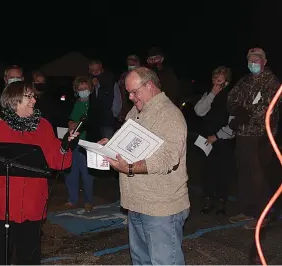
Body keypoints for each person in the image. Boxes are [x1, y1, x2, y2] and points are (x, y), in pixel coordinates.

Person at [0, 82, 76, 264]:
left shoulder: (43, 125)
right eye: (29, 96)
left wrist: (65, 146)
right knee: (1, 256)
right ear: (14, 99)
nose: (34, 100)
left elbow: (58, 162)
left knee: (30, 257)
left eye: (34, 96)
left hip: (31, 204)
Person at [100, 67, 190, 265]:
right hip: (137, 203)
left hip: (161, 208)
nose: (131, 97)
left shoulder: (169, 115)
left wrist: (130, 168)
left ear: (149, 86)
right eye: (128, 92)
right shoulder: (137, 111)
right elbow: (127, 142)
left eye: (134, 91)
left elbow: (168, 159)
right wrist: (110, 145)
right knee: (141, 261)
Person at [227, 47, 280, 229]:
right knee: (244, 173)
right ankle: (248, 211)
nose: (253, 62)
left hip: (262, 136)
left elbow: (267, 107)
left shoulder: (272, 81)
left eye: (257, 59)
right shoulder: (245, 81)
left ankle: (264, 214)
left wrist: (245, 115)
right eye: (250, 59)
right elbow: (231, 98)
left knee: (260, 175)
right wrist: (237, 111)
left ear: (264, 62)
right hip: (243, 134)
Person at [194, 66, 236, 215]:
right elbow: (199, 111)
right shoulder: (209, 94)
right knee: (207, 171)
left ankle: (221, 202)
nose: (216, 82)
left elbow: (233, 124)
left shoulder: (232, 97)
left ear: (227, 81)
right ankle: (207, 200)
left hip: (222, 140)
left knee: (222, 172)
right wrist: (212, 94)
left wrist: (217, 136)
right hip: (206, 139)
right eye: (214, 79)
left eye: (220, 79)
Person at [64, 77, 94, 212]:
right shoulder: (75, 103)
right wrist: (71, 123)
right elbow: (70, 118)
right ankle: (72, 199)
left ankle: (88, 201)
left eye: (85, 88)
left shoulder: (94, 103)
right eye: (80, 89)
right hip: (74, 142)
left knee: (87, 174)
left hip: (87, 143)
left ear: (90, 89)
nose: (83, 91)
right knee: (71, 172)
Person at [86, 60, 121, 142]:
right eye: (93, 70)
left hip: (107, 121)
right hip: (93, 121)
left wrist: (113, 115)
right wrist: (92, 87)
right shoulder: (89, 82)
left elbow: (117, 99)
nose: (96, 72)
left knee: (107, 144)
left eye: (98, 70)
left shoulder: (110, 81)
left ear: (102, 69)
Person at [118, 54, 140, 122]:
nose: (131, 65)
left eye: (133, 63)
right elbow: (121, 95)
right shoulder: (123, 76)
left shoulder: (143, 75)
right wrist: (121, 112)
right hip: (127, 111)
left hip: (140, 110)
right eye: (129, 64)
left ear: (138, 63)